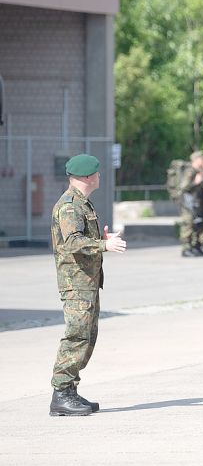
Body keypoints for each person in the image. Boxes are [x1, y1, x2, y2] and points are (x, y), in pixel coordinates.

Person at [49, 154, 127, 416]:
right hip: (76, 283)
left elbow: (80, 238)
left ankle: (70, 389)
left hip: (87, 282)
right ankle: (61, 394)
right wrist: (104, 245)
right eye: (96, 172)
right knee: (77, 335)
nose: (99, 176)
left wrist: (100, 238)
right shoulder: (70, 206)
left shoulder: (82, 203)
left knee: (87, 336)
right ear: (86, 177)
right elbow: (72, 242)